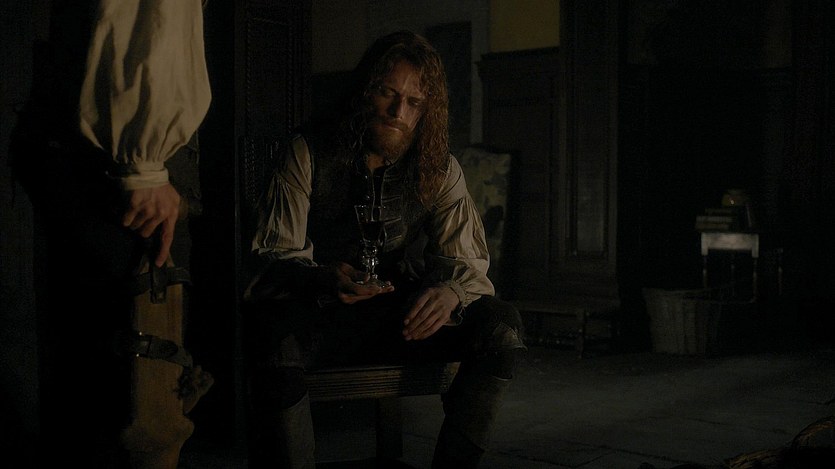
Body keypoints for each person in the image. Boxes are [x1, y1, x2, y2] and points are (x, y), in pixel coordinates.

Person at [244, 30, 527, 468]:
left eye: (414, 103)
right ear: (365, 91)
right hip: (320, 318)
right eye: (387, 93)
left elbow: (468, 262)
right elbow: (275, 254)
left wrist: (451, 293)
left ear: (426, 110)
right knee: (272, 337)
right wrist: (323, 278)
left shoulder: (438, 168)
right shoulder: (309, 151)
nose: (398, 113)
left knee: (501, 328)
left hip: (398, 320)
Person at [8, 1, 212, 467]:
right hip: (122, 167)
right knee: (135, 414)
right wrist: (145, 166)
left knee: (106, 398)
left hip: (106, 159)